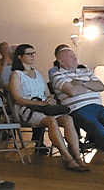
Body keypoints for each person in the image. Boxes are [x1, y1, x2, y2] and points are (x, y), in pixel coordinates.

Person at [6, 44, 87, 172]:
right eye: (29, 54)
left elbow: (48, 94)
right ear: (20, 57)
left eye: (33, 53)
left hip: (43, 107)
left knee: (67, 118)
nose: (33, 56)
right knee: (51, 120)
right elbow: (17, 98)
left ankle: (77, 156)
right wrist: (40, 104)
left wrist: (49, 100)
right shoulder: (16, 74)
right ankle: (67, 157)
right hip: (27, 109)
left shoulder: (38, 73)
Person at [51, 47, 104, 167]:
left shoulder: (84, 71)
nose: (75, 57)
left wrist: (80, 83)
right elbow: (72, 92)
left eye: (74, 55)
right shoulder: (57, 75)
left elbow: (101, 86)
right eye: (71, 56)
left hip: (97, 106)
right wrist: (89, 86)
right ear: (61, 61)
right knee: (98, 130)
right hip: (78, 108)